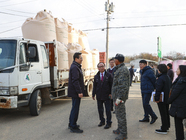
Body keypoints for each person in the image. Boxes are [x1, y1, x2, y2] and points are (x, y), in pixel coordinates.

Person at [112, 54, 130, 140]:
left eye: (115, 59)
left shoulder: (122, 70)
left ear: (117, 60)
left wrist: (119, 98)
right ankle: (120, 129)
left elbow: (123, 86)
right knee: (118, 115)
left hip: (120, 97)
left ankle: (123, 134)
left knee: (121, 116)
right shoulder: (119, 69)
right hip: (117, 96)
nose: (114, 61)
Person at [92, 62, 113, 129]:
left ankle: (109, 122)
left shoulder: (109, 75)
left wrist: (111, 93)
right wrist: (93, 94)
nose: (101, 68)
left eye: (102, 66)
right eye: (99, 67)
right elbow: (94, 86)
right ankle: (102, 121)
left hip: (107, 95)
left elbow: (111, 85)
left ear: (104, 67)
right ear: (98, 68)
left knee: (108, 110)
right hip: (99, 95)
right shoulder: (96, 76)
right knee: (100, 109)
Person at [168, 65, 186, 140]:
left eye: (178, 69)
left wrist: (168, 101)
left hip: (179, 105)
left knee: (178, 124)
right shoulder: (182, 79)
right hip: (182, 104)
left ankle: (179, 138)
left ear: (181, 71)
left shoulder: (181, 81)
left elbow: (175, 93)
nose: (176, 71)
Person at [68, 52, 84, 133]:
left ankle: (71, 123)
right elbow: (75, 80)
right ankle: (73, 126)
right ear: (76, 59)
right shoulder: (75, 67)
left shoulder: (75, 66)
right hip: (75, 92)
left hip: (75, 92)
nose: (82, 60)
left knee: (74, 107)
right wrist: (79, 92)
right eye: (81, 58)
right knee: (75, 108)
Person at [139, 60, 158, 124]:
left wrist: (155, 88)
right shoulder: (142, 71)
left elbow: (154, 80)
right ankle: (146, 117)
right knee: (144, 104)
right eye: (139, 64)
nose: (140, 65)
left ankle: (153, 116)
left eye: (141, 64)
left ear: (145, 64)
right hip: (143, 89)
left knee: (146, 104)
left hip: (148, 90)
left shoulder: (149, 71)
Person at [154, 64, 171, 134]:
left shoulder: (161, 78)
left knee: (163, 113)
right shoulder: (167, 77)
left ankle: (164, 128)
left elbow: (158, 89)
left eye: (158, 69)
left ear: (160, 70)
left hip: (162, 98)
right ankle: (167, 126)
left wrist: (156, 98)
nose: (157, 71)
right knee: (166, 112)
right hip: (167, 98)